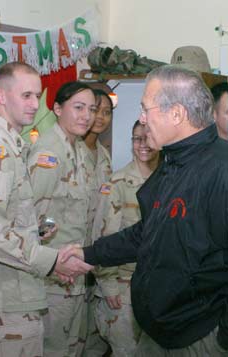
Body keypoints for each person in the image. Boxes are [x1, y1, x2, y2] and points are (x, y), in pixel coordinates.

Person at [62, 65, 228, 356]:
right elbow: (146, 232)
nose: (141, 118)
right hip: (159, 331)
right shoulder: (172, 163)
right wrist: (90, 254)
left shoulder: (221, 168)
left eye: (145, 108)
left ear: (176, 114)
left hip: (201, 335)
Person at [0, 62, 92, 357]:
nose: (34, 105)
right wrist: (52, 261)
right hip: (2, 299)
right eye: (26, 95)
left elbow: (8, 221)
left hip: (16, 293)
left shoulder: (10, 144)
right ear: (1, 97)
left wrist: (39, 235)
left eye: (37, 96)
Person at [27, 81, 97, 356]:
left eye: (91, 109)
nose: (86, 116)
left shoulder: (79, 150)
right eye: (78, 107)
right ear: (57, 108)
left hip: (75, 275)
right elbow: (32, 221)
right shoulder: (48, 153)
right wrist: (52, 258)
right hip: (53, 278)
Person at [93, 120, 159, 356]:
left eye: (148, 138)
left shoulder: (169, 181)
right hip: (123, 290)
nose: (143, 145)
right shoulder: (117, 183)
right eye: (136, 139)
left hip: (157, 289)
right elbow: (104, 238)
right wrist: (109, 286)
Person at [77, 89, 113, 357]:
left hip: (96, 257)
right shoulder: (69, 151)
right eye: (94, 110)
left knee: (92, 337)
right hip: (69, 258)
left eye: (105, 112)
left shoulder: (105, 156)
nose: (99, 117)